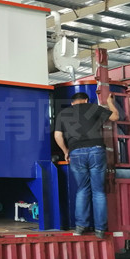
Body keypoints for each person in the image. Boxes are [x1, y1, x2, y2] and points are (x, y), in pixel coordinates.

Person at [54, 92, 119, 238]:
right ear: (86, 100)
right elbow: (115, 117)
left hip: (76, 152)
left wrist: (66, 151)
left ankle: (80, 227)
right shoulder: (93, 107)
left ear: (72, 103)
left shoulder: (63, 113)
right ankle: (100, 230)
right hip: (96, 150)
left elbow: (57, 135)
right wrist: (109, 102)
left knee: (82, 189)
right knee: (98, 191)